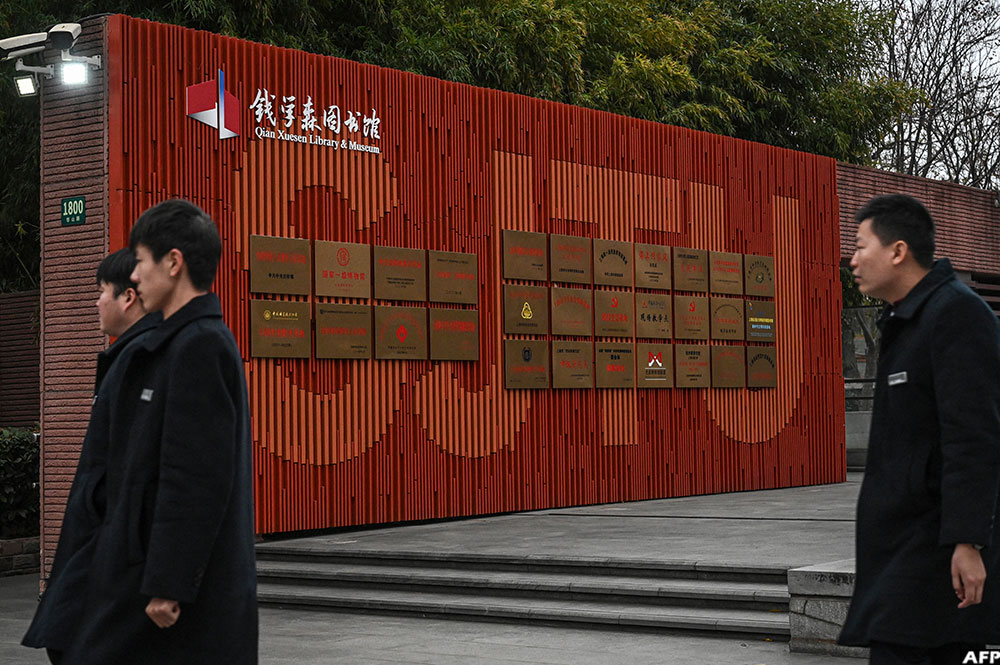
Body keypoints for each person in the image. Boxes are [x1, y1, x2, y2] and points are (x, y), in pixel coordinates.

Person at [30, 200, 259, 664]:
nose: (133, 276)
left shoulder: (201, 346)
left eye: (141, 261)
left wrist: (168, 583)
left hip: (166, 598)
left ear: (173, 263)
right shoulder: (177, 344)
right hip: (136, 574)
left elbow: (194, 477)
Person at [839, 194, 1000, 664]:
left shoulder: (956, 313)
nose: (852, 259)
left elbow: (975, 437)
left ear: (897, 251)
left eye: (861, 245)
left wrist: (968, 542)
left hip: (933, 554)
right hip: (902, 549)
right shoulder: (905, 318)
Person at [23, 248, 159, 663]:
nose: (95, 301)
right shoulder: (127, 357)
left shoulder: (142, 361)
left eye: (101, 291)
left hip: (107, 553)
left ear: (128, 298)